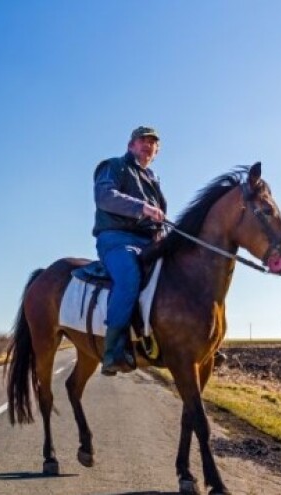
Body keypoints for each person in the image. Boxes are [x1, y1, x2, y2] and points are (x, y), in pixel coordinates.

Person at [93, 126, 166, 376]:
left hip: (148, 242)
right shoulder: (113, 166)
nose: (147, 144)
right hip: (116, 238)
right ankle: (112, 350)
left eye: (152, 142)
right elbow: (104, 196)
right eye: (141, 140)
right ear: (130, 145)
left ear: (156, 151)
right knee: (128, 275)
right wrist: (143, 207)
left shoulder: (153, 180)